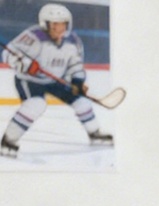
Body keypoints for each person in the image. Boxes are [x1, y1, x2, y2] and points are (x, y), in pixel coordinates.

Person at [0, 3, 113, 158]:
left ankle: (95, 133)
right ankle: (8, 141)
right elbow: (8, 54)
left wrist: (77, 81)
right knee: (35, 105)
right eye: (55, 25)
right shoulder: (33, 37)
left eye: (63, 24)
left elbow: (75, 64)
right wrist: (23, 65)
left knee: (82, 102)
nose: (60, 29)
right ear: (45, 25)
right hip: (30, 81)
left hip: (56, 80)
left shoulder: (73, 41)